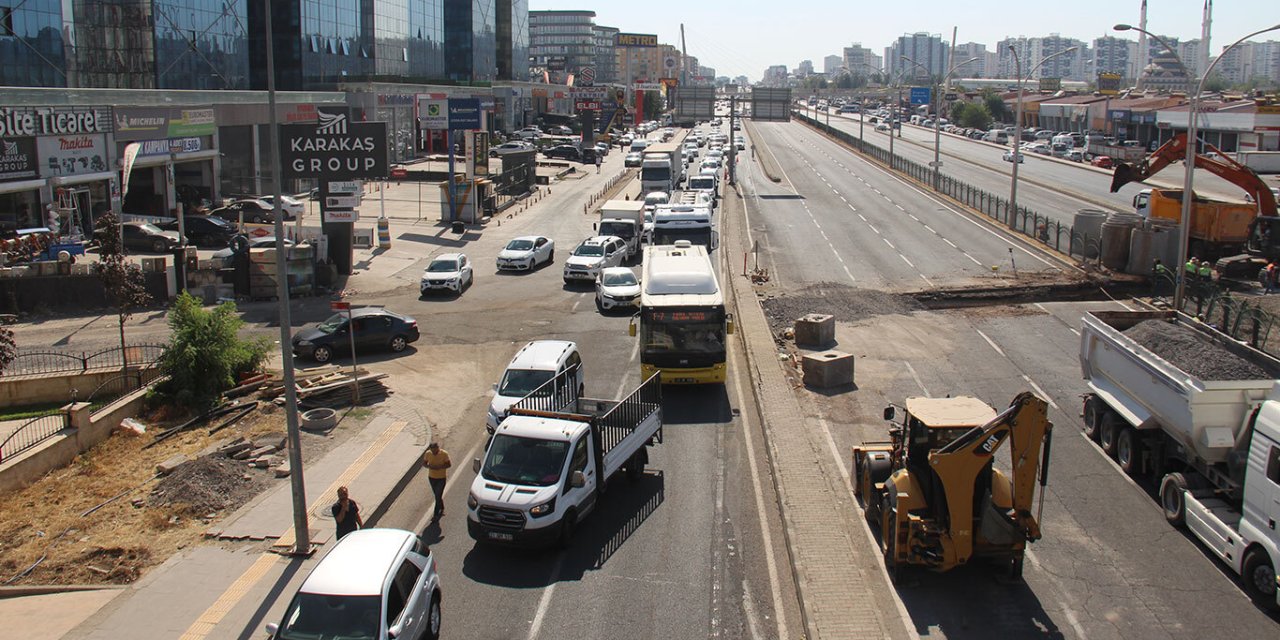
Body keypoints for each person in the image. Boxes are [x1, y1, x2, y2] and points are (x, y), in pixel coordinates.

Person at [423, 442, 452, 519]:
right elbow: (424, 463)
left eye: (435, 451)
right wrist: (430, 466)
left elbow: (449, 464)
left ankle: (436, 514)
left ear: (438, 448)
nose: (434, 452)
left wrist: (440, 467)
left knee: (438, 495)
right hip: (432, 478)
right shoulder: (428, 453)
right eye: (432, 451)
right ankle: (442, 507)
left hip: (441, 478)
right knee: (437, 495)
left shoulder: (444, 454)